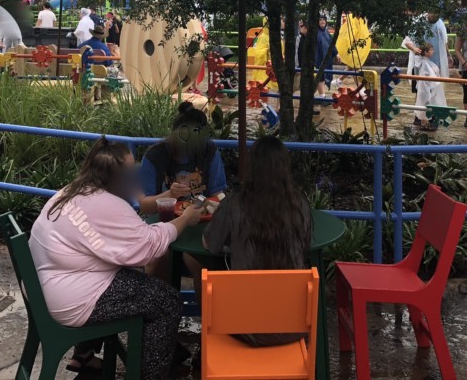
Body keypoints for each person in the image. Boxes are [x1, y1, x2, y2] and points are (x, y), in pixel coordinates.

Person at [30, 137, 202, 380]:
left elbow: (122, 246)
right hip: (72, 297)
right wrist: (185, 219)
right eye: (131, 171)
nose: (135, 177)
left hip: (51, 285)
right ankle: (152, 373)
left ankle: (90, 355)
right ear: (117, 176)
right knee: (166, 300)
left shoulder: (71, 192)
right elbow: (148, 247)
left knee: (138, 287)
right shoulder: (106, 204)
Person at [202, 136, 313, 347]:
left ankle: (204, 355)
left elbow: (210, 244)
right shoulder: (300, 206)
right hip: (293, 328)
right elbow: (305, 245)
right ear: (285, 169)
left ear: (251, 167)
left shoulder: (234, 204)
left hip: (244, 327)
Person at [408, 44, 447, 131]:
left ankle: (424, 122)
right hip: (424, 87)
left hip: (425, 87)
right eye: (431, 50)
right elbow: (429, 76)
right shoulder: (425, 64)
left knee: (424, 104)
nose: (433, 51)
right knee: (424, 104)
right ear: (426, 52)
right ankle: (424, 123)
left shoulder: (424, 62)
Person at [314, 15, 338, 96]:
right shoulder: (315, 32)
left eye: (324, 20)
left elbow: (331, 44)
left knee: (322, 78)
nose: (322, 21)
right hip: (318, 59)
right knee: (320, 77)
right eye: (320, 20)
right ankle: (322, 96)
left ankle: (318, 95)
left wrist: (337, 54)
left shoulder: (326, 32)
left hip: (326, 60)